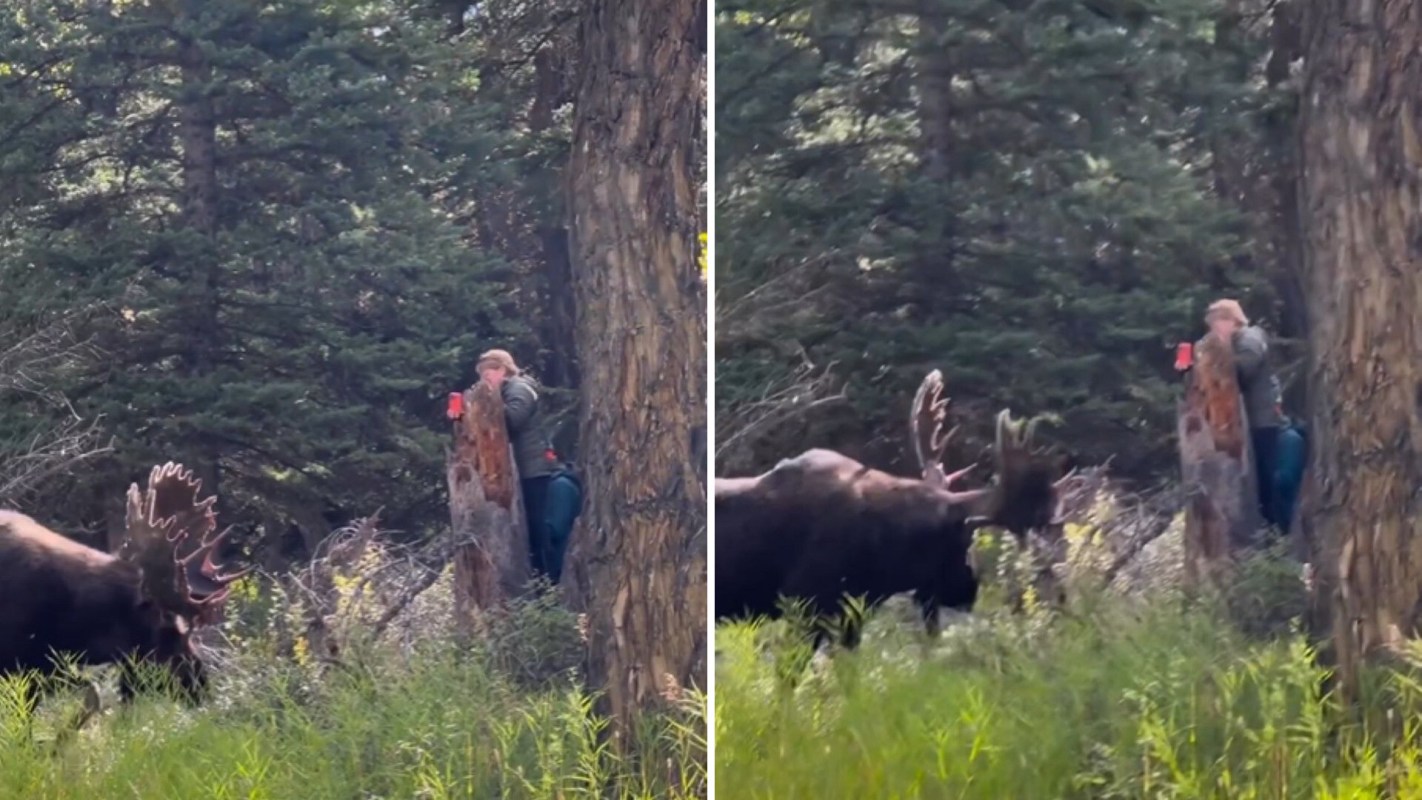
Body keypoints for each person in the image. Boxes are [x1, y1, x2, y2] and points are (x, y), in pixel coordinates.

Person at [476, 349, 565, 582]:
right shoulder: (505, 392)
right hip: (522, 470)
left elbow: (511, 420)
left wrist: (484, 404)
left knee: (538, 530)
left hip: (535, 470)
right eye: (482, 375)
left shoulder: (520, 389)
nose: (485, 379)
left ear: (502, 370)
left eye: (489, 373)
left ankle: (548, 583)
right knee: (527, 531)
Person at [1202, 299, 1283, 529]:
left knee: (1265, 479)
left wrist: (1215, 361)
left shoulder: (1250, 339)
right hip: (1248, 421)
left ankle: (1274, 532)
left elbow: (1242, 370)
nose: (1213, 330)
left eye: (1216, 323)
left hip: (1262, 420)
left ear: (1230, 321)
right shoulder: (1236, 343)